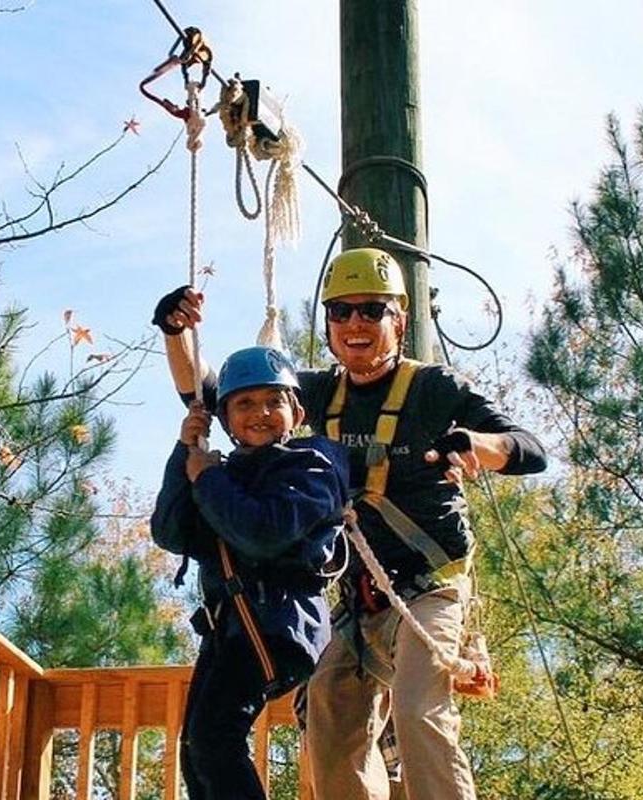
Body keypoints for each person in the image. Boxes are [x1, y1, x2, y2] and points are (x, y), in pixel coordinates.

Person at [151, 248, 547, 800]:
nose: (355, 323)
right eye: (341, 312)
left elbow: (530, 449)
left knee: (416, 709)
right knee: (329, 719)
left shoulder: (434, 391)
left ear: (399, 321)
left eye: (372, 310)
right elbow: (210, 393)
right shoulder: (311, 395)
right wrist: (176, 331)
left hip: (429, 585)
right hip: (358, 598)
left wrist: (477, 444)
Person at [150, 346, 348, 800]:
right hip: (235, 626)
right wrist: (186, 455)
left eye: (273, 402)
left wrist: (208, 480)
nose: (260, 413)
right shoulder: (226, 474)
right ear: (225, 417)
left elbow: (264, 532)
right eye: (244, 403)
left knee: (214, 739)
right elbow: (172, 532)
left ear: (295, 411)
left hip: (279, 623)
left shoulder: (312, 464)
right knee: (195, 748)